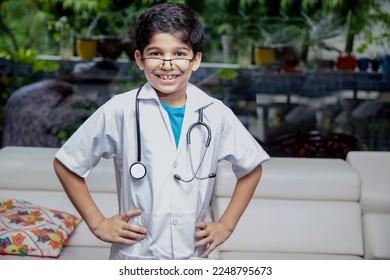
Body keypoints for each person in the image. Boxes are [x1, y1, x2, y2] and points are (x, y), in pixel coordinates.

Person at [53, 2, 269, 260]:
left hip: (194, 255)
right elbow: (67, 164)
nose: (168, 64)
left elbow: (252, 168)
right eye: (156, 53)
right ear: (139, 59)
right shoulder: (120, 110)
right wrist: (98, 223)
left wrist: (226, 225)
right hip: (137, 256)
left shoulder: (215, 112)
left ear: (196, 60)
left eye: (179, 54)